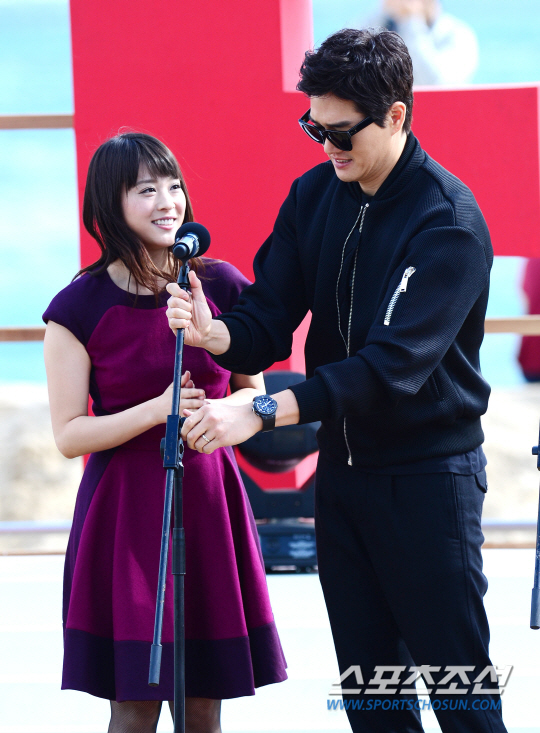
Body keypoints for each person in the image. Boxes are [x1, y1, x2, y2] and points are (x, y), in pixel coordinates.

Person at [166, 29, 507, 733]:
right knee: (373, 703)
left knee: (462, 699)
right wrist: (215, 333)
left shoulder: (448, 223)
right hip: (344, 482)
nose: (327, 147)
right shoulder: (315, 194)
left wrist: (262, 410)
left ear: (396, 115)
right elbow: (268, 315)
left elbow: (388, 370)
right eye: (314, 128)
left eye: (342, 132)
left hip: (427, 481)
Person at [42, 132, 287, 733]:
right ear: (110, 203)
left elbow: (253, 392)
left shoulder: (221, 285)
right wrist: (157, 410)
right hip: (124, 514)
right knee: (133, 707)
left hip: (209, 503)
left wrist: (226, 418)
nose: (167, 201)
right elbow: (69, 435)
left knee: (204, 707)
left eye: (173, 186)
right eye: (146, 189)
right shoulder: (77, 307)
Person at [355, 0, 479, 85]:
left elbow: (436, 83)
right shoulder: (382, 22)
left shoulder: (458, 34)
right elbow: (354, 67)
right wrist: (382, 13)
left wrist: (412, 20)